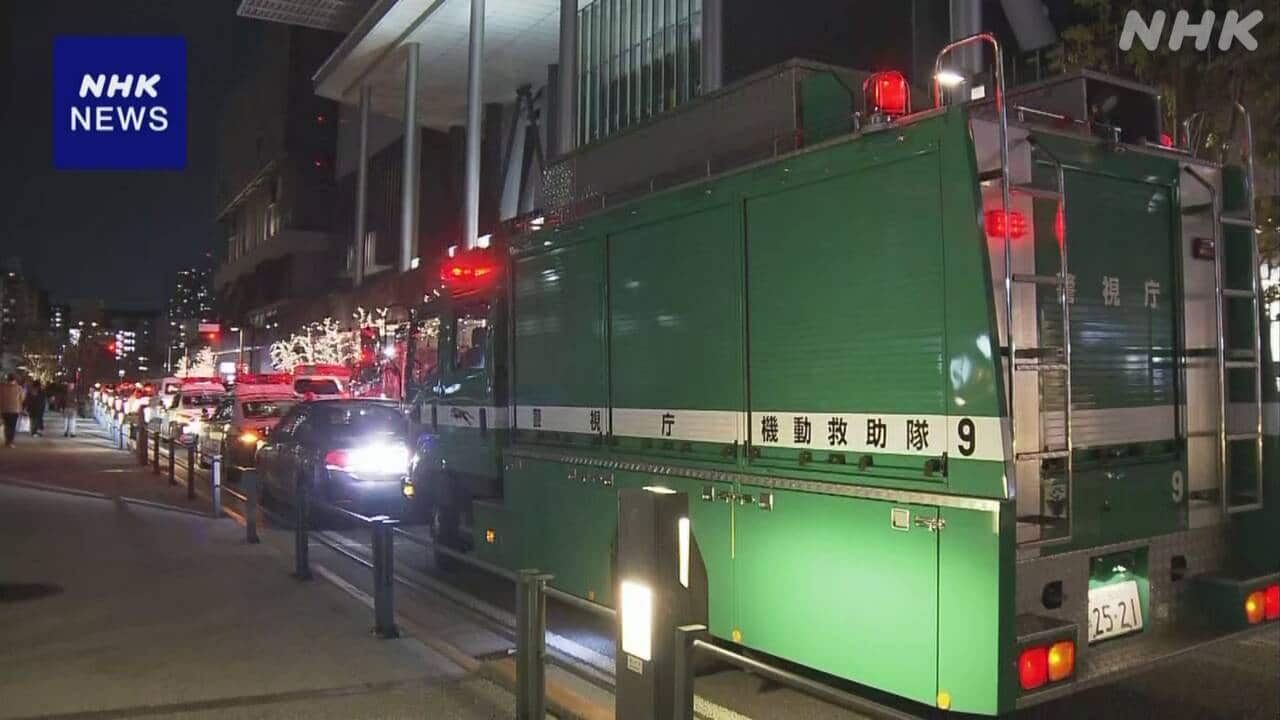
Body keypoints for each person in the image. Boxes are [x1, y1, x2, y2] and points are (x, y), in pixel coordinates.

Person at [0, 374, 22, 447]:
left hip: (4, 409)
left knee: (6, 425)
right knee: (12, 426)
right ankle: (10, 441)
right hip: (15, 410)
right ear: (15, 380)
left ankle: (7, 440)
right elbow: (22, 398)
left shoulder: (2, 387)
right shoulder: (19, 388)